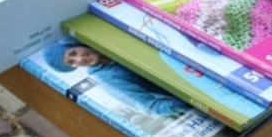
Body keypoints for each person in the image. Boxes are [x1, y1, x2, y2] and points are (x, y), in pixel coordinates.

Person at [43, 39, 190, 117]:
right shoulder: (107, 78)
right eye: (72, 62)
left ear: (75, 44)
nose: (80, 59)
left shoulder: (106, 41)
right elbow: (150, 108)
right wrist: (188, 104)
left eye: (73, 53)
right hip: (185, 87)